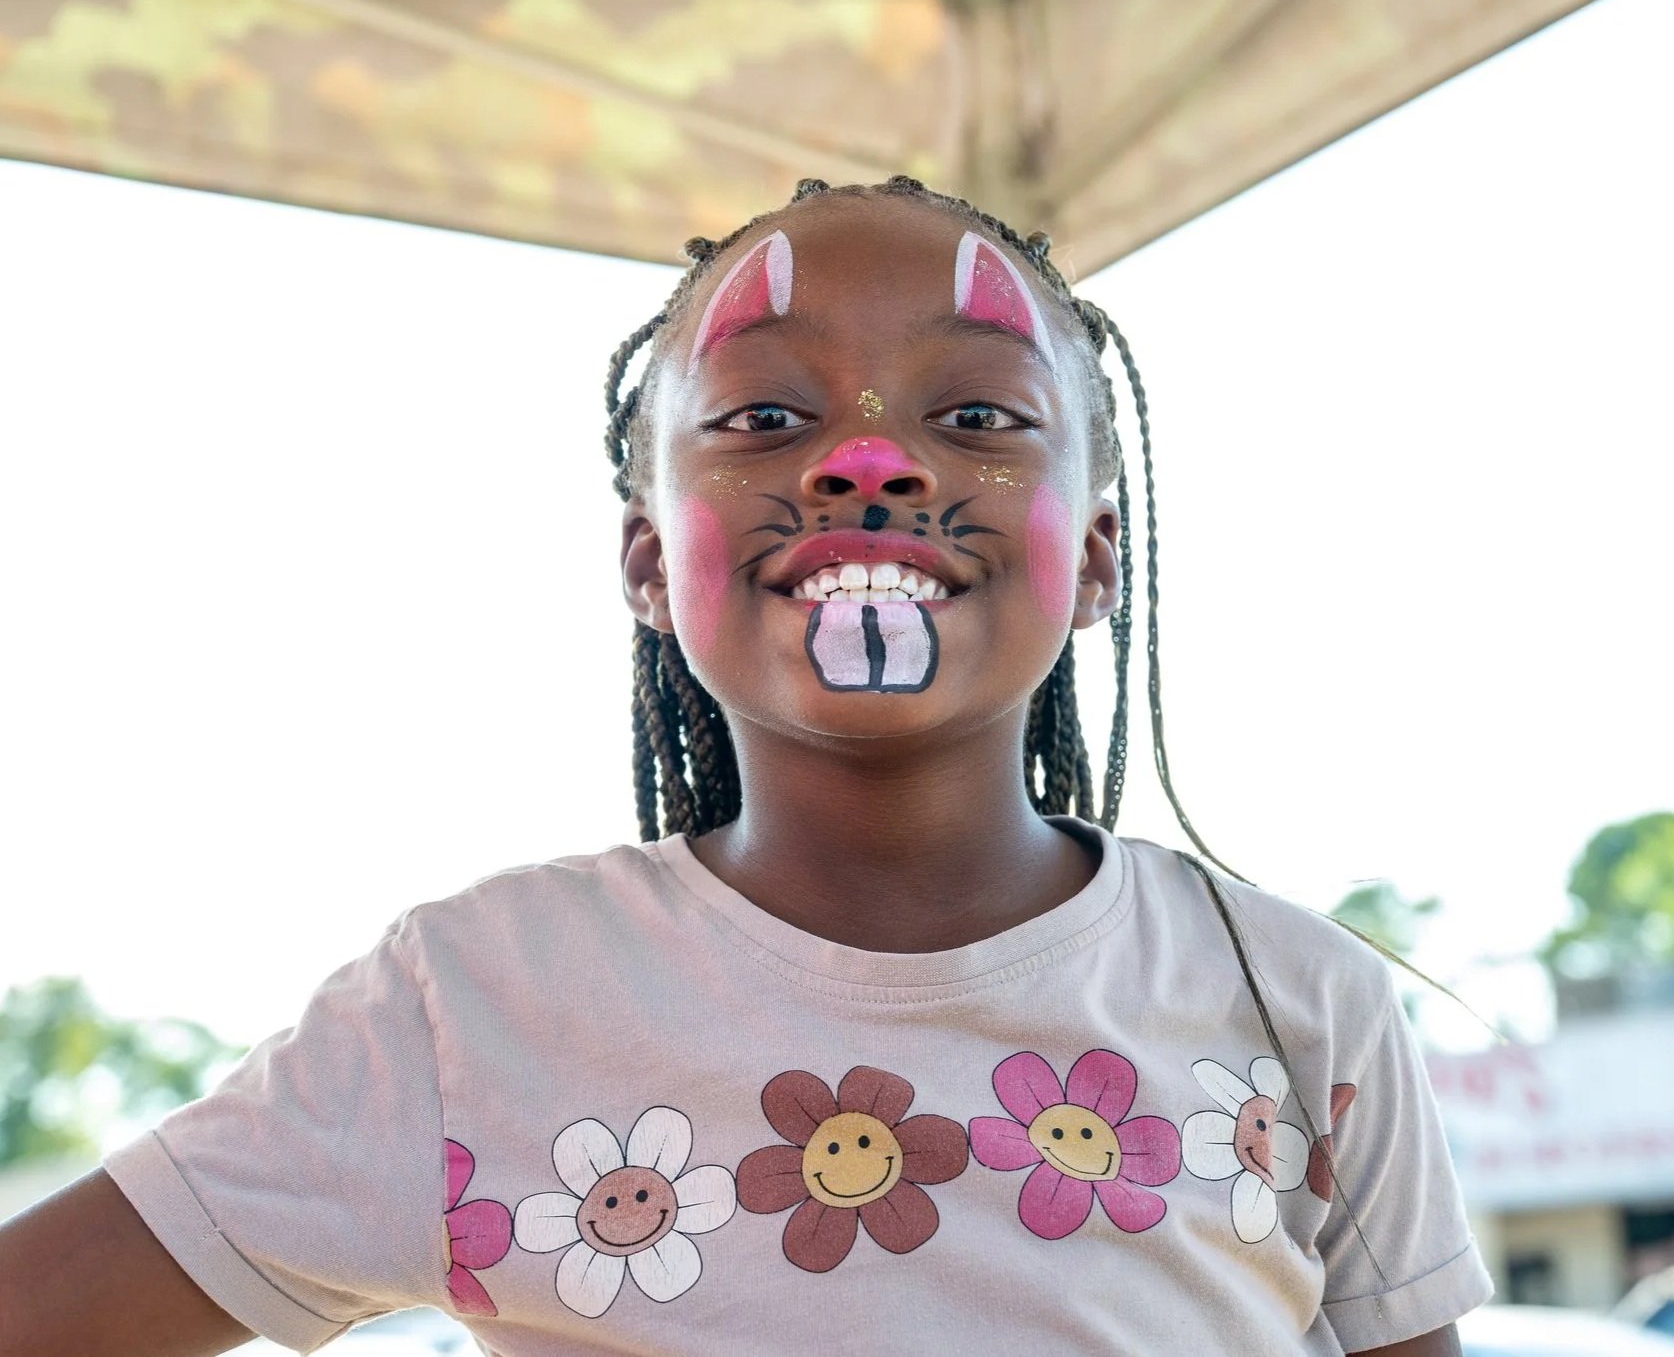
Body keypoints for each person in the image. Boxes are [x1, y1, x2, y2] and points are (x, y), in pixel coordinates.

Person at [0, 176, 1491, 1355]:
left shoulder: (1303, 1005)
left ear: (1097, 556)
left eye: (974, 415)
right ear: (647, 564)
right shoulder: (469, 1005)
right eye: (765, 417)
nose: (865, 465)